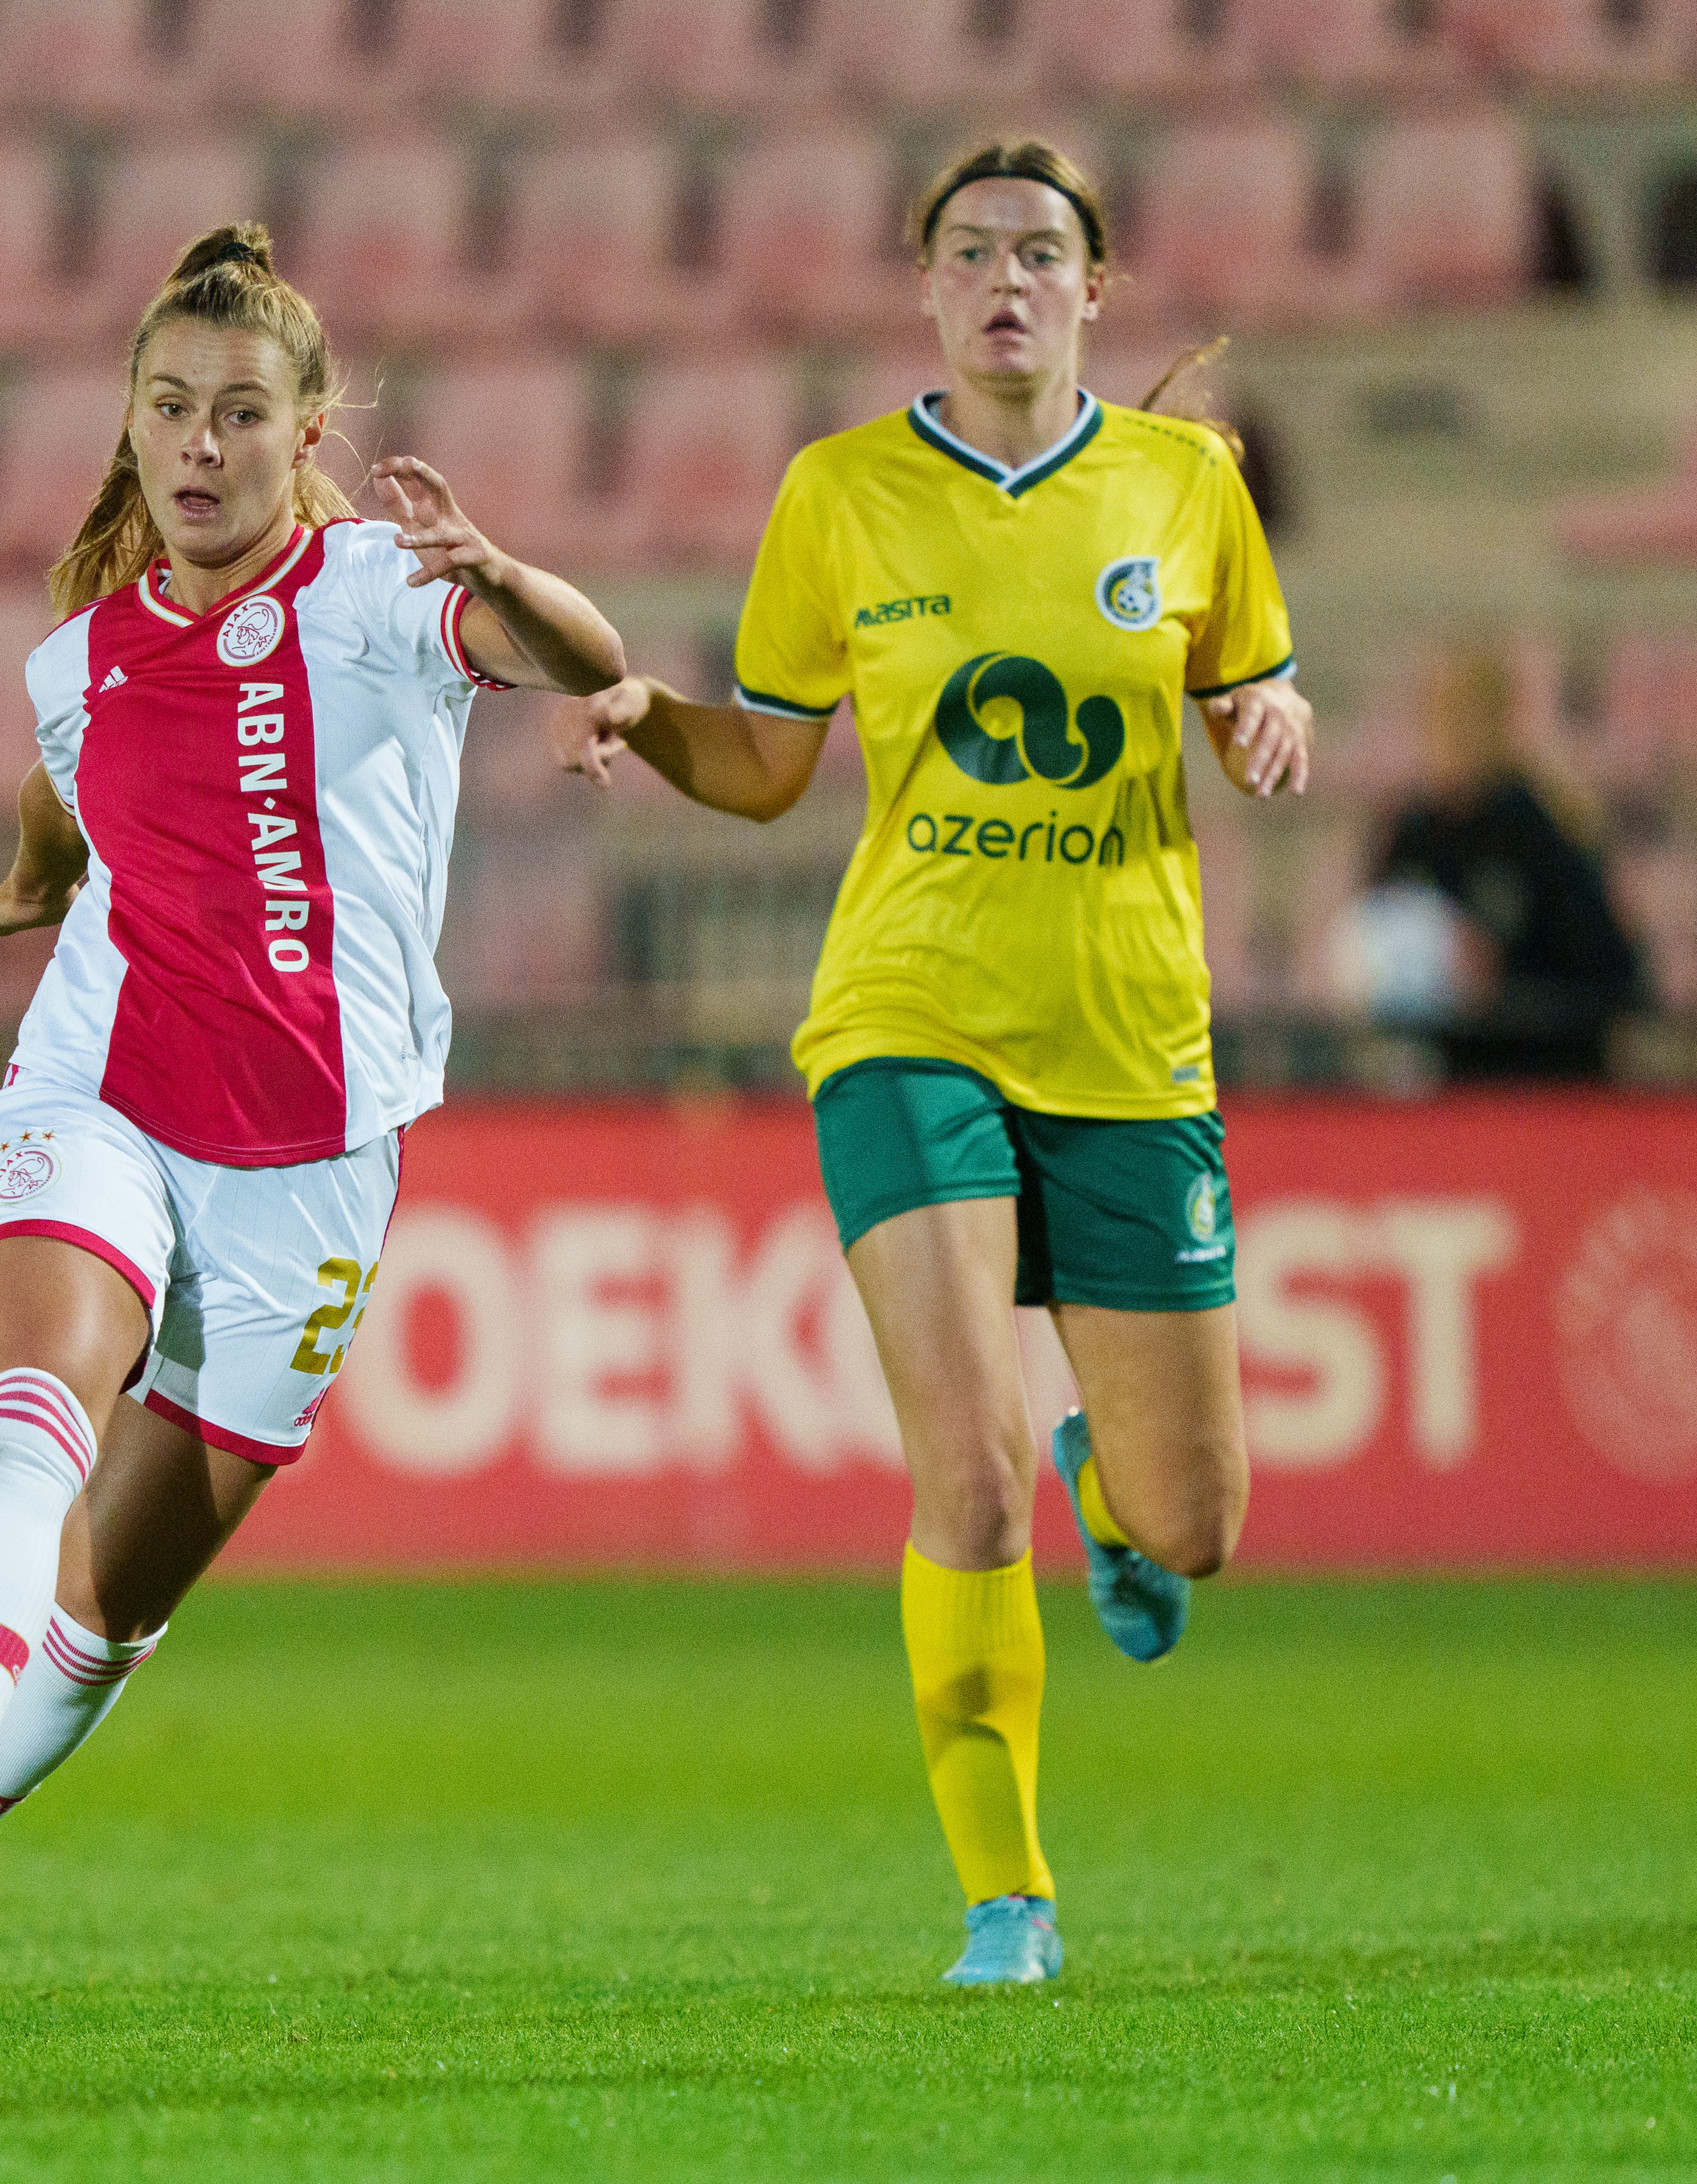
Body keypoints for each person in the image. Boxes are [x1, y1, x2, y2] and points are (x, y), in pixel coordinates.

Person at [0, 223, 626, 2041]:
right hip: (97, 1088)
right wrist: (40, 883)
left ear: (309, 428)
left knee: (113, 1598)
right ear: (129, 421)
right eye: (169, 408)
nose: (200, 445)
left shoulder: (372, 600)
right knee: (27, 1398)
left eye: (241, 414)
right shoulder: (77, 660)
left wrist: (502, 571)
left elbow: (584, 653)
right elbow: (66, 777)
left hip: (316, 1159)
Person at [563, 140, 1313, 1986]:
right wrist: (643, 714)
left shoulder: (1184, 487)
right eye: (970, 251)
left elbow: (1238, 707)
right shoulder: (840, 498)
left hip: (1133, 1042)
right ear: (923, 286)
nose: (1004, 280)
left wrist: (1273, 709)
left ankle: (1102, 1465)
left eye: (1039, 254)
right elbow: (763, 767)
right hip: (907, 1019)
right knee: (958, 1473)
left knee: (1193, 1527)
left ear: (1094, 290)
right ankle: (1008, 1895)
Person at [1367, 645, 1644, 1082]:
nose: (1453, 732)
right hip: (1440, 1095)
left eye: (1468, 713)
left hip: (1541, 1090)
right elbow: (1369, 962)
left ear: (1501, 721)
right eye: (1441, 713)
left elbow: (1615, 977)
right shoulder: (1410, 840)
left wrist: (1505, 980)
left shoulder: (1543, 832)